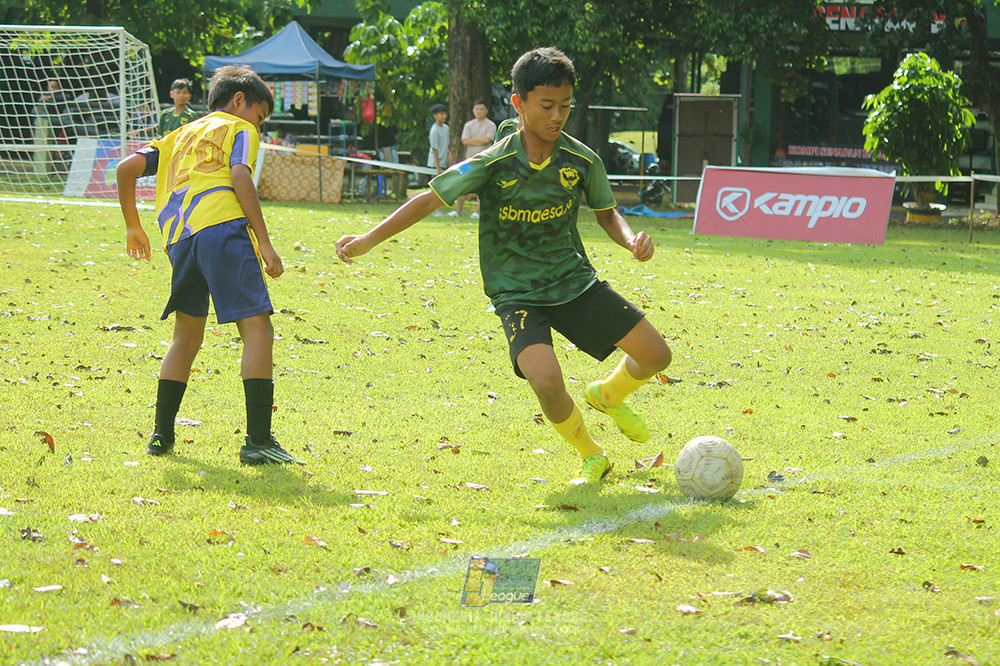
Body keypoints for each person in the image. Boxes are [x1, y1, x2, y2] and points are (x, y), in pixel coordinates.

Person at [335, 47, 671, 485]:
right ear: (518, 103)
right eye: (547, 106)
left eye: (565, 106)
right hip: (516, 293)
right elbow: (428, 199)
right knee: (547, 382)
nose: (557, 116)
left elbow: (607, 213)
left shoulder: (583, 160)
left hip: (573, 283)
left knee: (657, 356)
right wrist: (366, 240)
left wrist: (631, 241)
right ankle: (593, 454)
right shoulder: (492, 162)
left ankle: (607, 395)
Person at [116, 64, 303, 466]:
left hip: (179, 240)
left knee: (186, 335)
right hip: (221, 229)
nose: (260, 125)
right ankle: (258, 441)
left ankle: (161, 436)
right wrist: (265, 243)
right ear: (239, 101)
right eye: (260, 115)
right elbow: (240, 175)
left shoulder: (176, 135)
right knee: (258, 330)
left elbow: (125, 168)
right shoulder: (240, 129)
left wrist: (134, 226)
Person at [452, 100, 496, 218]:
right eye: (477, 109)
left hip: (484, 160)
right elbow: (465, 141)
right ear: (473, 111)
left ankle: (477, 212)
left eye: (482, 109)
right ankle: (458, 211)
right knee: (463, 183)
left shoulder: (490, 125)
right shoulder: (469, 125)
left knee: (482, 185)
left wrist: (473, 140)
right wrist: (479, 140)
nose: (479, 111)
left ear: (486, 111)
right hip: (468, 160)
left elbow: (488, 140)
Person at [33, 80, 68, 174]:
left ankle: (60, 167)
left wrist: (51, 97)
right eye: (50, 87)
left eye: (54, 87)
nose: (52, 89)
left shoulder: (63, 96)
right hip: (44, 125)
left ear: (59, 88)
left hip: (60, 125)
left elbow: (62, 98)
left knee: (58, 146)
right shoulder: (43, 96)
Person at [423, 103, 449, 213]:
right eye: (441, 114)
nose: (444, 116)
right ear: (435, 116)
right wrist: (438, 167)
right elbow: (435, 149)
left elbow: (447, 144)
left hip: (444, 161)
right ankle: (435, 210)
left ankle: (437, 209)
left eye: (444, 114)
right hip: (435, 163)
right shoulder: (434, 130)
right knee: (434, 188)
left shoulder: (446, 128)